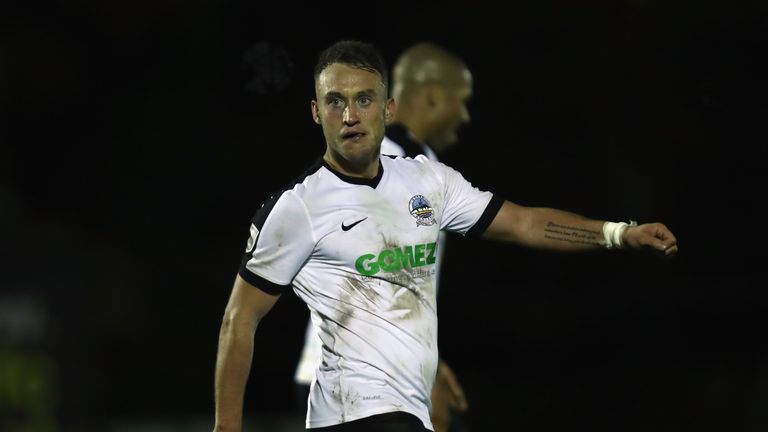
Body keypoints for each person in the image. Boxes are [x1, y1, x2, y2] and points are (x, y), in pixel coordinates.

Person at [213, 40, 678, 432]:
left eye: (364, 99)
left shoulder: (427, 181)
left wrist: (619, 233)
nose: (350, 114)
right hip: (352, 412)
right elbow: (240, 319)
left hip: (404, 409)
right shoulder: (298, 207)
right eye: (335, 101)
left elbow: (524, 224)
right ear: (317, 113)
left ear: (388, 108)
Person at [292, 42, 473, 432]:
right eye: (462, 101)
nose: (465, 114)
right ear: (434, 96)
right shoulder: (384, 155)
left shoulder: (410, 157)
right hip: (359, 382)